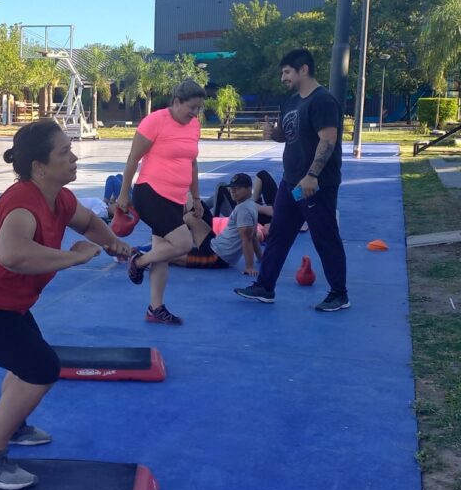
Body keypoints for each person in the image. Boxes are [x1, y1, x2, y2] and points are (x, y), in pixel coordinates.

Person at [0, 120, 131, 490]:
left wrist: (113, 244)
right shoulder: (23, 204)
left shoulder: (59, 197)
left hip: (4, 300)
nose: (73, 158)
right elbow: (11, 254)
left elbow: (88, 221)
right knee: (40, 367)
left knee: (26, 361)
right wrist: (72, 258)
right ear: (40, 167)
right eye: (64, 152)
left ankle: (15, 424)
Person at [234, 48, 348, 311]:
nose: (283, 77)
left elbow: (328, 140)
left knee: (325, 237)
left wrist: (312, 176)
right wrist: (271, 133)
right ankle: (265, 287)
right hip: (291, 184)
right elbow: (288, 134)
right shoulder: (291, 101)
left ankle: (339, 294)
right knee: (279, 234)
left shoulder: (322, 101)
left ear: (303, 69)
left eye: (287, 72)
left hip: (315, 186)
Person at [117, 79, 207, 326]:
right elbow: (133, 159)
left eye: (198, 108)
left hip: (175, 198)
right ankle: (139, 260)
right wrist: (124, 194)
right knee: (183, 243)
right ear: (177, 102)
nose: (194, 113)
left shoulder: (194, 126)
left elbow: (192, 163)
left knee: (163, 255)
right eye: (191, 107)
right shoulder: (155, 121)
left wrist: (196, 197)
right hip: (151, 193)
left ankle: (155, 308)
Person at [173, 173, 261, 273]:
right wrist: (261, 258)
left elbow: (247, 238)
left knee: (171, 256)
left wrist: (249, 267)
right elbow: (253, 236)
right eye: (232, 188)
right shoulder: (251, 205)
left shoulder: (243, 209)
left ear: (249, 189)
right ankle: (169, 237)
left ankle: (161, 246)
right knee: (190, 216)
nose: (233, 191)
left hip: (216, 257)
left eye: (237, 188)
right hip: (214, 244)